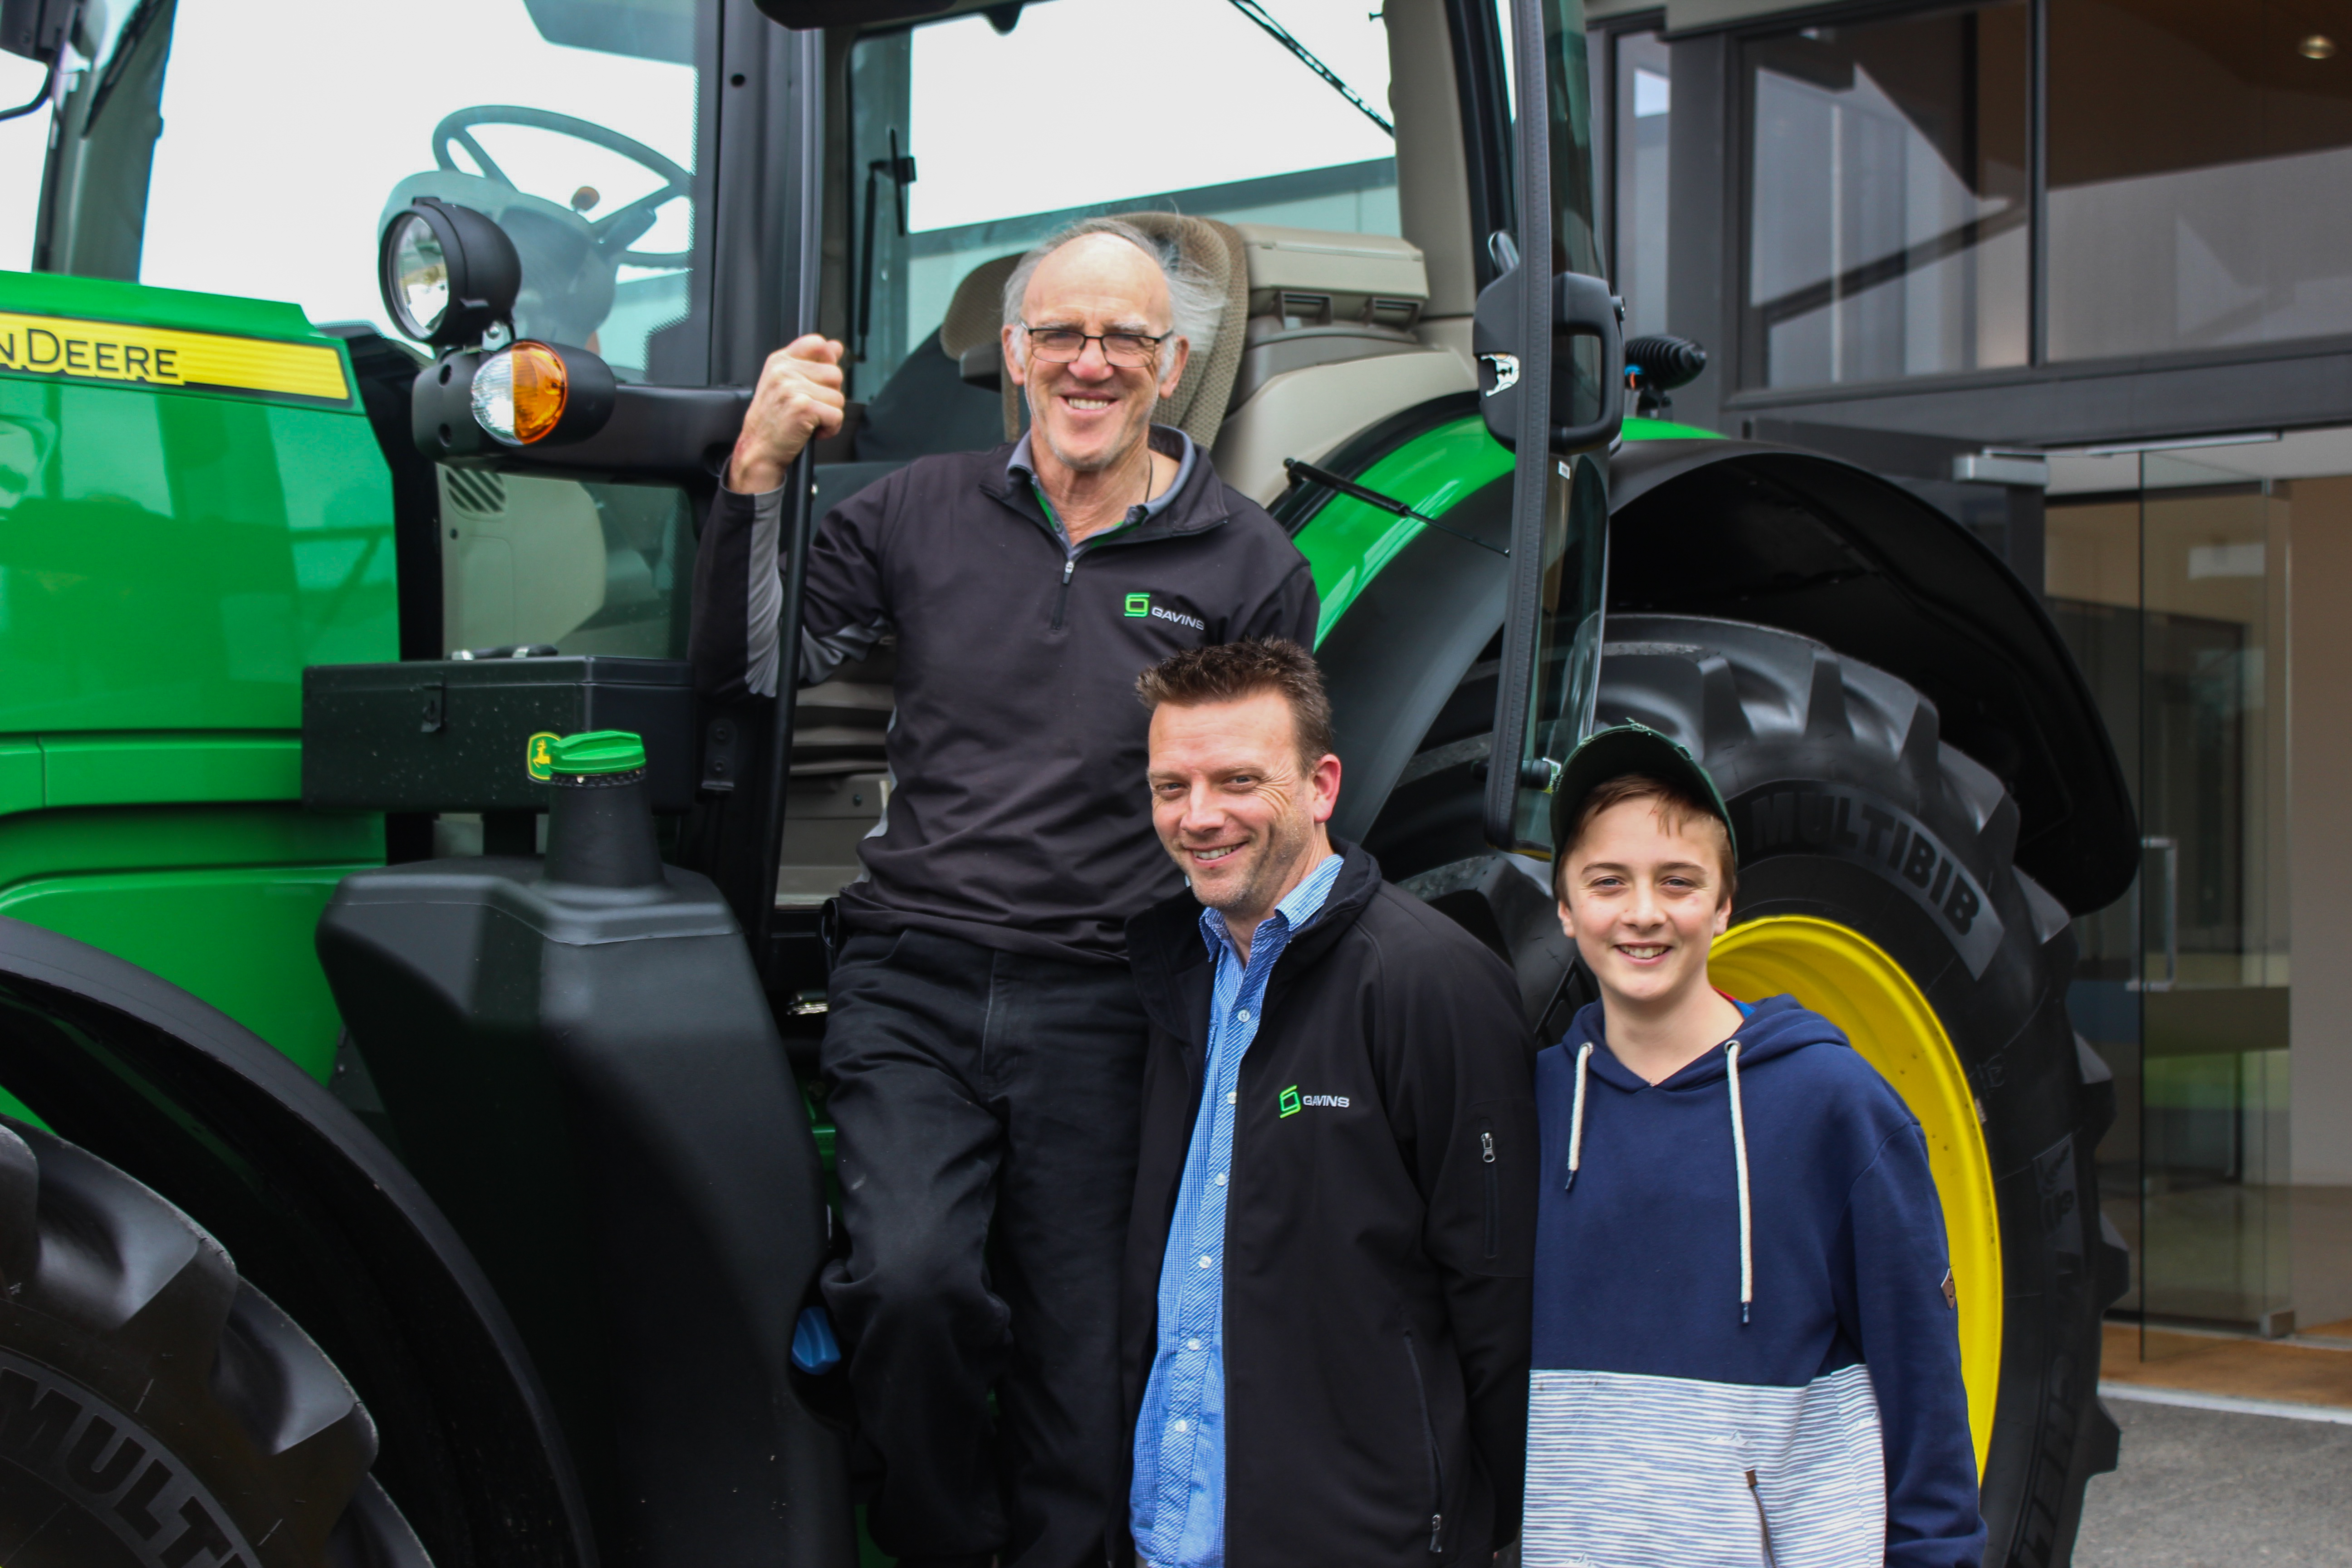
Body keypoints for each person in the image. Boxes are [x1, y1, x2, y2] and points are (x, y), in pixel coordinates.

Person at [690, 220, 1318, 1568]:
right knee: (908, 1288)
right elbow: (751, 670)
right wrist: (756, 470)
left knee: (1083, 1362)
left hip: (1113, 997)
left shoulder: (1242, 560)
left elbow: (1270, 804)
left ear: (1173, 363)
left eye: (1124, 340)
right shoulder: (915, 512)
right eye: (1064, 336)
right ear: (1016, 356)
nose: (1091, 364)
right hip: (914, 976)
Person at [1524, 723, 1984, 1568]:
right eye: (1607, 882)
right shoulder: (1535, 1107)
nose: (1644, 913)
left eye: (1679, 881)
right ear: (1565, 905)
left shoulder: (1836, 1109)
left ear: (1727, 903)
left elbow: (1923, 1385)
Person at [1118, 639, 1535, 1568]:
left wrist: (1475, 1533)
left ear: (1321, 785)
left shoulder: (1432, 982)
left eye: (1238, 781)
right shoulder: (1171, 973)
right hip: (1169, 1536)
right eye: (1169, 787)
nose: (1199, 817)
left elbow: (1499, 1296)